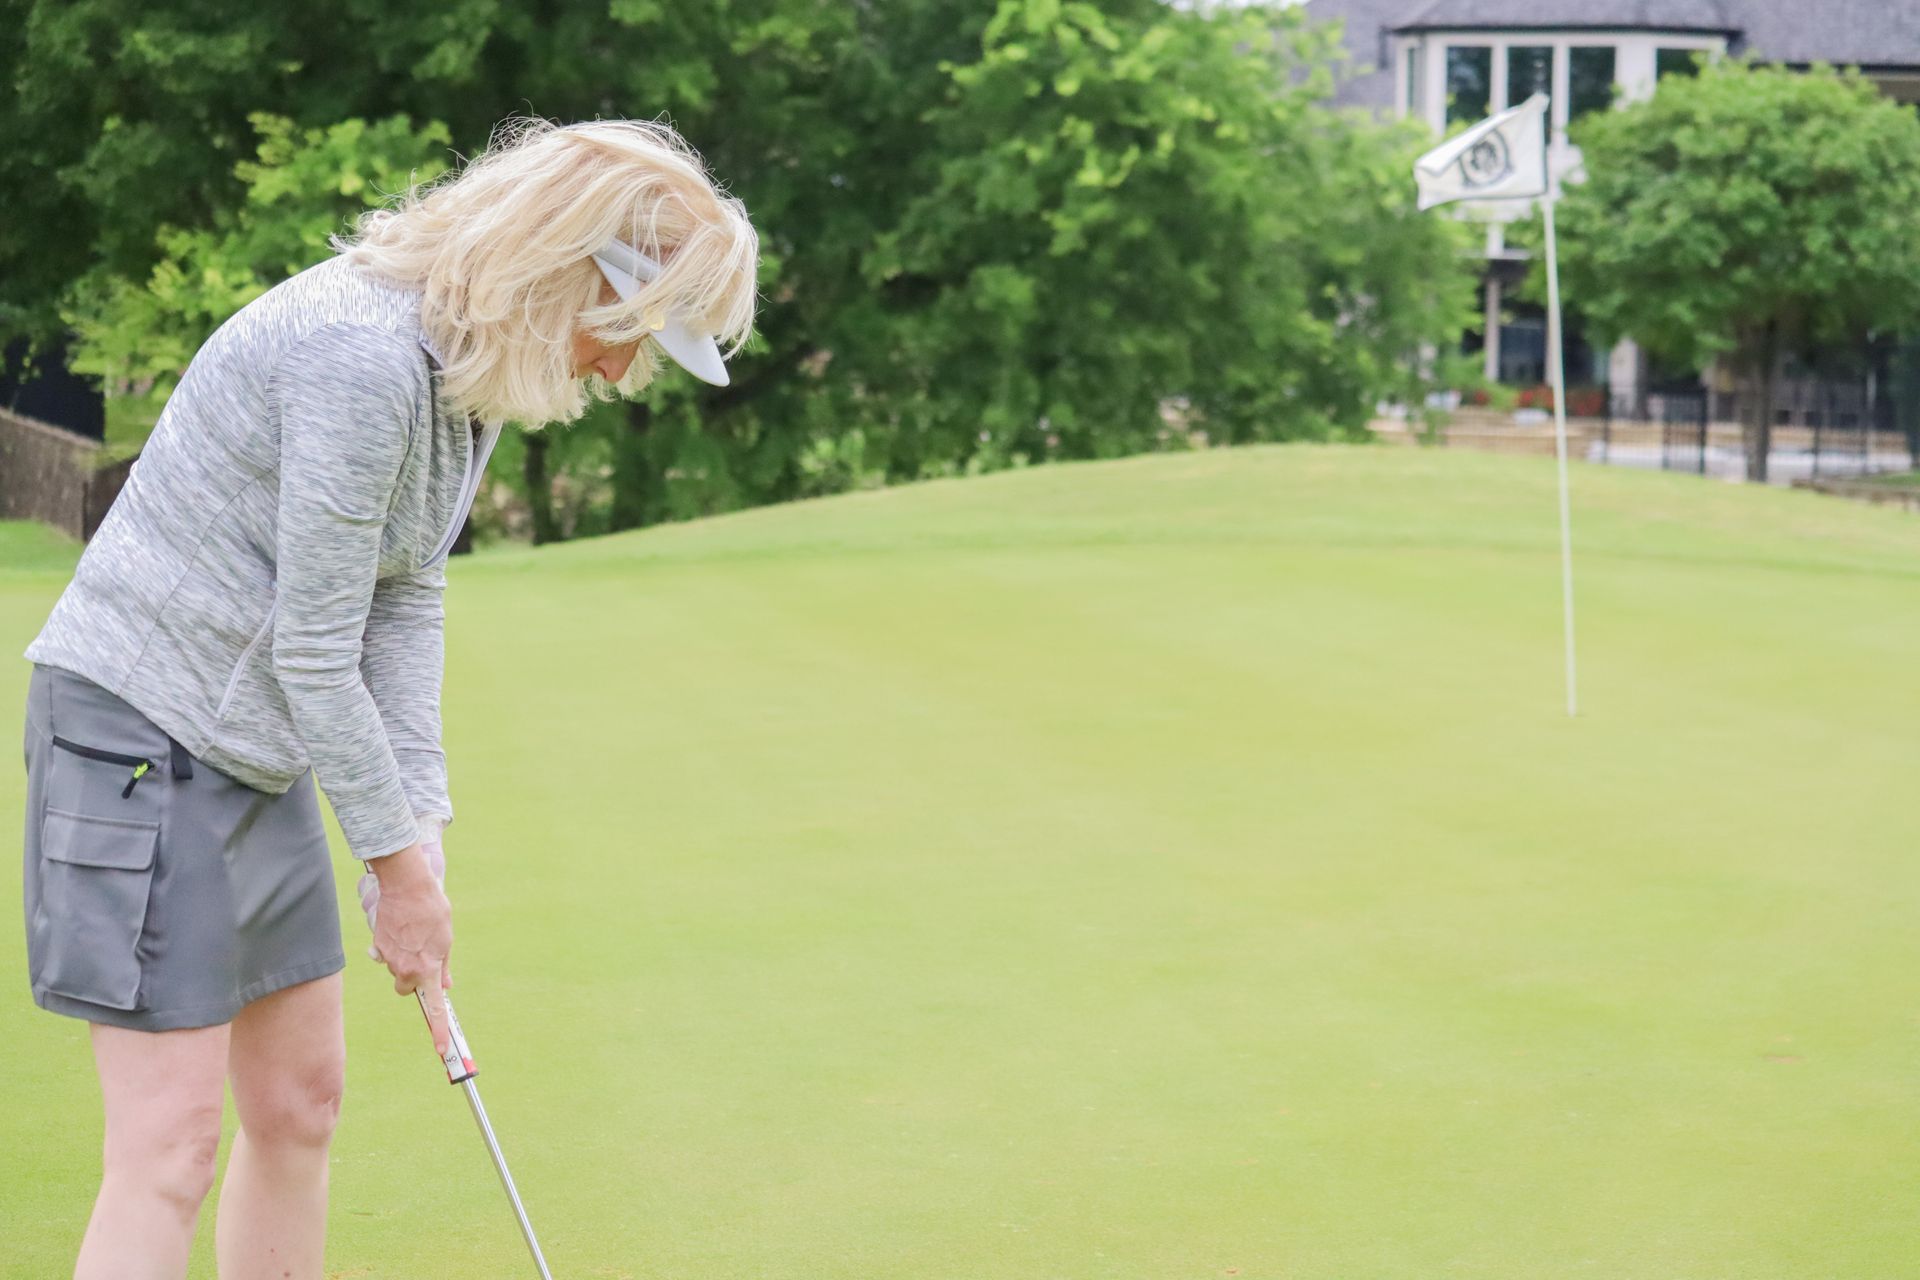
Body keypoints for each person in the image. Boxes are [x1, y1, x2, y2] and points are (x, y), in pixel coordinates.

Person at [17, 116, 758, 1280]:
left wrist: (417, 834)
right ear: (566, 270)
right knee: (169, 1143)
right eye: (630, 332)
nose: (623, 368)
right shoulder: (359, 353)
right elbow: (318, 648)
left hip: (251, 747)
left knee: (302, 1099)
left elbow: (404, 598)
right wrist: (394, 868)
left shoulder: (467, 366)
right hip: (137, 732)